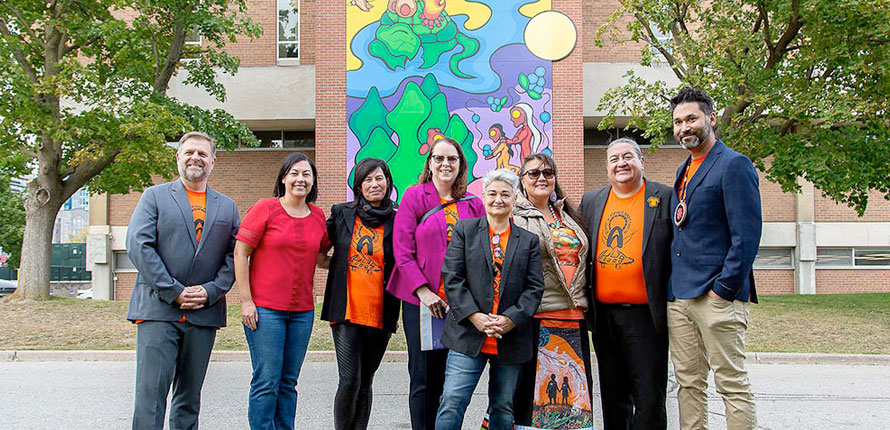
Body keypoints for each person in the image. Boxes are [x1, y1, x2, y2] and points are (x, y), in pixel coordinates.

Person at [126, 131, 240, 430]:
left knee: (189, 400)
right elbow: (139, 245)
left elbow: (235, 255)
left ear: (213, 161)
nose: (195, 158)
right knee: (150, 398)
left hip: (204, 313)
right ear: (178, 157)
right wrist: (173, 290)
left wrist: (211, 291)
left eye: (202, 154)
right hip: (158, 311)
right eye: (189, 152)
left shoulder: (227, 207)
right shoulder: (154, 197)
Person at [668, 87, 762, 430]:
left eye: (691, 119)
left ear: (710, 118)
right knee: (688, 384)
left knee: (732, 385)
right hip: (680, 297)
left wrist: (724, 289)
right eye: (678, 122)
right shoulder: (684, 170)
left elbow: (746, 236)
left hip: (717, 297)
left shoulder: (734, 165)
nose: (684, 127)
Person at [387, 137, 485, 430]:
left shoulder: (474, 203)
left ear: (461, 164)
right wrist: (423, 291)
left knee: (452, 379)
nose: (445, 164)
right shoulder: (415, 196)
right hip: (423, 302)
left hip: (461, 304)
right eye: (439, 158)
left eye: (452, 159)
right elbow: (402, 250)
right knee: (423, 378)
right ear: (429, 163)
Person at [435, 169, 545, 430]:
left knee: (503, 407)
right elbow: (453, 278)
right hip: (468, 333)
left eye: (505, 194)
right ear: (483, 197)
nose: (498, 199)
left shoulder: (528, 241)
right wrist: (475, 317)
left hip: (511, 338)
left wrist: (510, 319)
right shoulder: (465, 231)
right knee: (452, 401)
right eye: (492, 193)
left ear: (514, 198)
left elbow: (534, 288)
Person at [579, 137, 673, 430]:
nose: (621, 163)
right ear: (606, 166)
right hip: (604, 316)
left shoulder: (664, 197)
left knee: (648, 394)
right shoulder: (591, 201)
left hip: (646, 316)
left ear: (642, 161)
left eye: (628, 157)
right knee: (612, 392)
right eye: (614, 158)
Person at [234, 153, 331, 430]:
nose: (301, 179)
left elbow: (321, 258)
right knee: (267, 381)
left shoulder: (318, 216)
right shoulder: (265, 208)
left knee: (288, 382)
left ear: (313, 182)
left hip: (302, 312)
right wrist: (246, 301)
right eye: (294, 173)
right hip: (265, 311)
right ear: (284, 178)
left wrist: (356, 260)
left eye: (306, 174)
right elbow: (241, 253)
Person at [511, 153, 594, 429]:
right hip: (538, 318)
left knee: (572, 408)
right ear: (522, 180)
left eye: (548, 173)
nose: (541, 178)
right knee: (533, 406)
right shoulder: (513, 216)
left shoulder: (567, 215)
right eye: (533, 173)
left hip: (574, 317)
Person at [321, 158, 401, 430]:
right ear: (358, 186)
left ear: (388, 182)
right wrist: (335, 265)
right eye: (367, 179)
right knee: (349, 380)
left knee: (366, 380)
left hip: (381, 311)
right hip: (347, 309)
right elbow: (319, 249)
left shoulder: (398, 218)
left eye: (379, 178)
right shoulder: (341, 213)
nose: (374, 184)